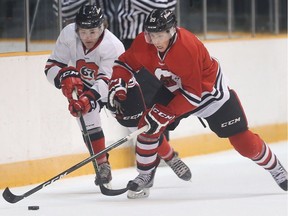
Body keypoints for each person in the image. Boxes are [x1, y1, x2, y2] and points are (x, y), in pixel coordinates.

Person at [107, 9, 288, 198]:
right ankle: (145, 176)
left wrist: (168, 113)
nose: (156, 41)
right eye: (152, 35)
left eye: (160, 35)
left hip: (209, 93)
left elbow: (194, 95)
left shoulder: (186, 47)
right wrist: (118, 81)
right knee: (147, 126)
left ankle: (275, 167)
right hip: (174, 89)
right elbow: (124, 63)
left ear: (171, 32)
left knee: (244, 143)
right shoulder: (145, 44)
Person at [44, 5, 125, 187]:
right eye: (83, 32)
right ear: (76, 28)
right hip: (87, 85)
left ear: (102, 27)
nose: (87, 37)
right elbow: (51, 67)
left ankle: (167, 155)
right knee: (87, 116)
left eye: (92, 32)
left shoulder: (113, 46)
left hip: (117, 86)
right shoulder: (68, 35)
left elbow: (106, 81)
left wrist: (88, 98)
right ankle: (103, 165)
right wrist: (64, 76)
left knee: (137, 121)